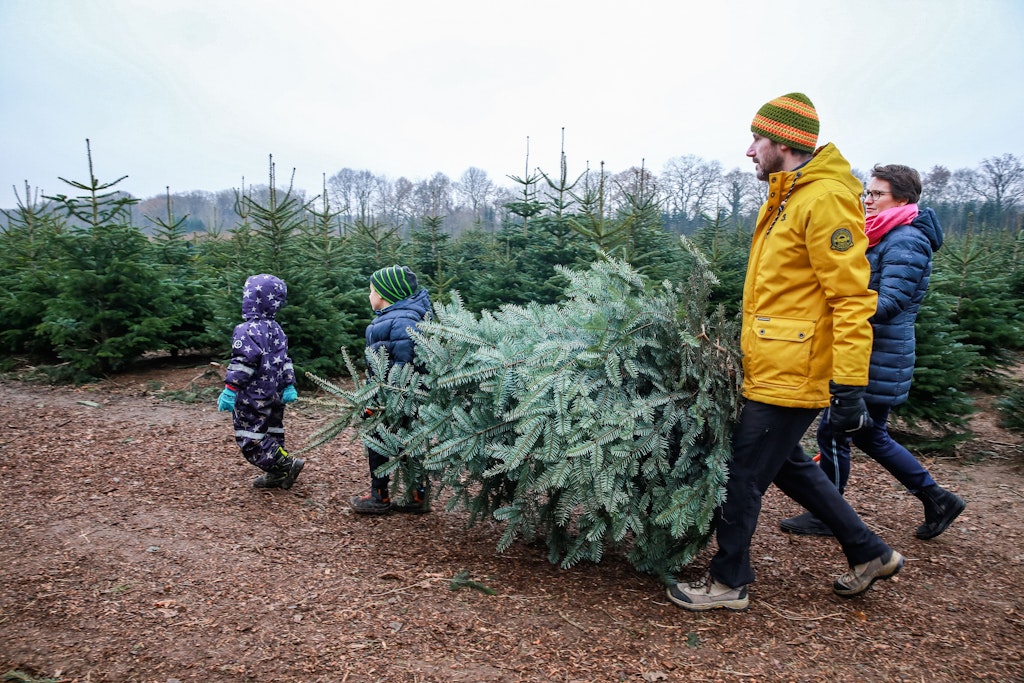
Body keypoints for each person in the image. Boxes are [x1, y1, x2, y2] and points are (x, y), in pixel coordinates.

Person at [666, 93, 904, 612]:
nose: (750, 150)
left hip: (794, 373)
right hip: (774, 363)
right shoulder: (787, 196)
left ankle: (728, 582)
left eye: (757, 139)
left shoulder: (824, 200)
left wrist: (848, 384)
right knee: (788, 464)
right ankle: (868, 552)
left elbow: (850, 298)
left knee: (744, 473)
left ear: (784, 144)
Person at [780, 164, 965, 540]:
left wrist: (839, 302)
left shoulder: (905, 240)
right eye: (867, 192)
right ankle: (936, 497)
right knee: (865, 434)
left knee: (837, 431)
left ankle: (826, 513)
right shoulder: (884, 235)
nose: (867, 199)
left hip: (878, 353)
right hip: (873, 349)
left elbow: (891, 301)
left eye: (877, 193)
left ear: (903, 199)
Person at [350, 264, 433, 515]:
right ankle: (417, 494)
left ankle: (380, 496)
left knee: (379, 442)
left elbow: (403, 364)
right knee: (408, 444)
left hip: (395, 399)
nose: (369, 296)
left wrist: (378, 399)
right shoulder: (393, 319)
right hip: (392, 396)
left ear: (386, 295)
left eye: (372, 291)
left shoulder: (401, 322)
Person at [218, 273, 303, 489]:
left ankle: (285, 464)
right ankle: (276, 475)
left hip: (252, 397)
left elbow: (243, 363)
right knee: (272, 431)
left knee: (251, 437)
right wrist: (289, 384)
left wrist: (230, 389)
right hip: (273, 395)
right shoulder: (277, 329)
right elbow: (284, 360)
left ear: (250, 298)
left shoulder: (245, 330)